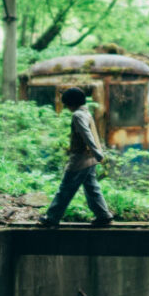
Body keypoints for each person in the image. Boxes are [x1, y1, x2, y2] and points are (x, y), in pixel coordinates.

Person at [38, 87, 114, 228]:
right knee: (92, 188)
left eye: (66, 104)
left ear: (71, 103)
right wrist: (97, 153)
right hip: (90, 158)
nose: (66, 107)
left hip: (81, 158)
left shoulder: (77, 115)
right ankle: (103, 215)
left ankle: (52, 217)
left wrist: (98, 153)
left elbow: (86, 135)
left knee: (65, 188)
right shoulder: (86, 113)